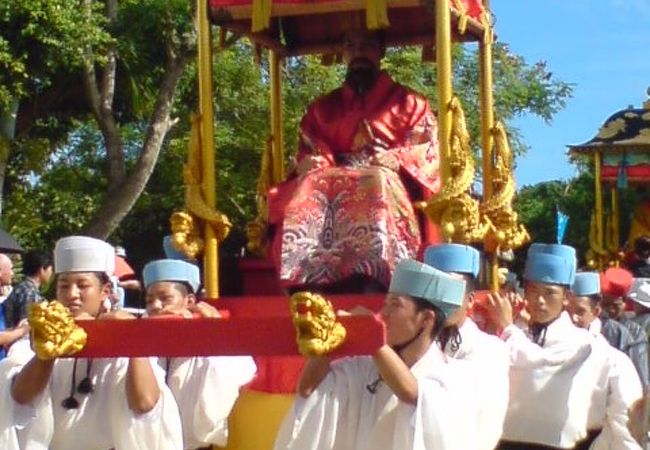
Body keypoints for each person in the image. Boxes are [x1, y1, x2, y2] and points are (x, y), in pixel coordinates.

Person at [268, 25, 440, 292]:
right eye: (351, 46)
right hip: (334, 176)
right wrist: (315, 163)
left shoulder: (410, 104)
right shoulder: (322, 108)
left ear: (381, 50)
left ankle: (377, 275)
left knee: (376, 181)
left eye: (367, 46)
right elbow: (312, 148)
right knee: (310, 184)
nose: (359, 53)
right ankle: (306, 280)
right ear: (342, 53)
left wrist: (397, 158)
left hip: (386, 178)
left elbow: (426, 150)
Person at [273, 259, 480, 450]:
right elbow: (308, 388)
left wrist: (373, 339)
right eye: (386, 303)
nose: (383, 314)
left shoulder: (453, 375)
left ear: (426, 319)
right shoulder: (365, 367)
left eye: (395, 305)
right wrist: (327, 343)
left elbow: (412, 393)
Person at [0, 235, 183, 449]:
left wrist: (132, 339)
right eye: (64, 286)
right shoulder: (36, 338)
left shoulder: (123, 339)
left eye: (82, 285)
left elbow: (144, 404)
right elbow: (20, 398)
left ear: (104, 291)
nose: (72, 295)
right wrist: (49, 349)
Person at [486, 243, 611, 449]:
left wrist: (507, 327)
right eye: (533, 290)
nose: (539, 300)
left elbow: (536, 363)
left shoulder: (582, 341)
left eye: (550, 293)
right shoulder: (522, 332)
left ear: (566, 298)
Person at [142, 258, 257, 449]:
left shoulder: (208, 342)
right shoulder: (144, 343)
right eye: (149, 300)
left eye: (165, 298)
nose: (155, 306)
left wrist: (216, 334)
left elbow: (243, 370)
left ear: (189, 302)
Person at [423, 243, 509, 450]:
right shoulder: (413, 344)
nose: (442, 301)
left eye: (451, 292)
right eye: (435, 291)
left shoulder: (491, 350)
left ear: (470, 300)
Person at [567, 272, 643, 449]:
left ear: (595, 312)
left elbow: (625, 425)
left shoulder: (614, 360)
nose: (573, 319)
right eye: (567, 312)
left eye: (580, 311)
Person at [601, 268, 649, 388]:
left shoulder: (636, 332)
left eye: (616, 305)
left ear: (625, 303)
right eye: (606, 305)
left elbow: (641, 374)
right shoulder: (594, 325)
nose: (611, 310)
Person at [3, 250, 53, 329]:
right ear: (42, 269)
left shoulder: (19, 288)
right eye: (51, 269)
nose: (51, 273)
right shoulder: (30, 293)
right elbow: (27, 326)